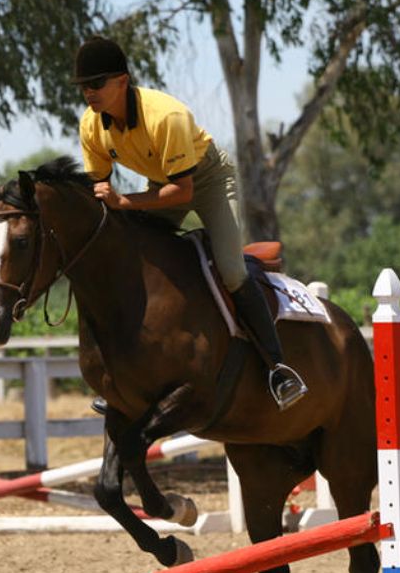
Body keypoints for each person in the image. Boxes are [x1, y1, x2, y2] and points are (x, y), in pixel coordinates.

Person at [73, 35, 307, 411]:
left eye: (96, 84)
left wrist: (124, 202)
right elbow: (101, 189)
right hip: (161, 186)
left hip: (208, 182)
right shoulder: (90, 125)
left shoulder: (166, 115)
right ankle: (124, 376)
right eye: (84, 86)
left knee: (231, 271)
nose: (89, 93)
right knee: (132, 255)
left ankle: (278, 368)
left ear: (122, 81)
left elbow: (183, 192)